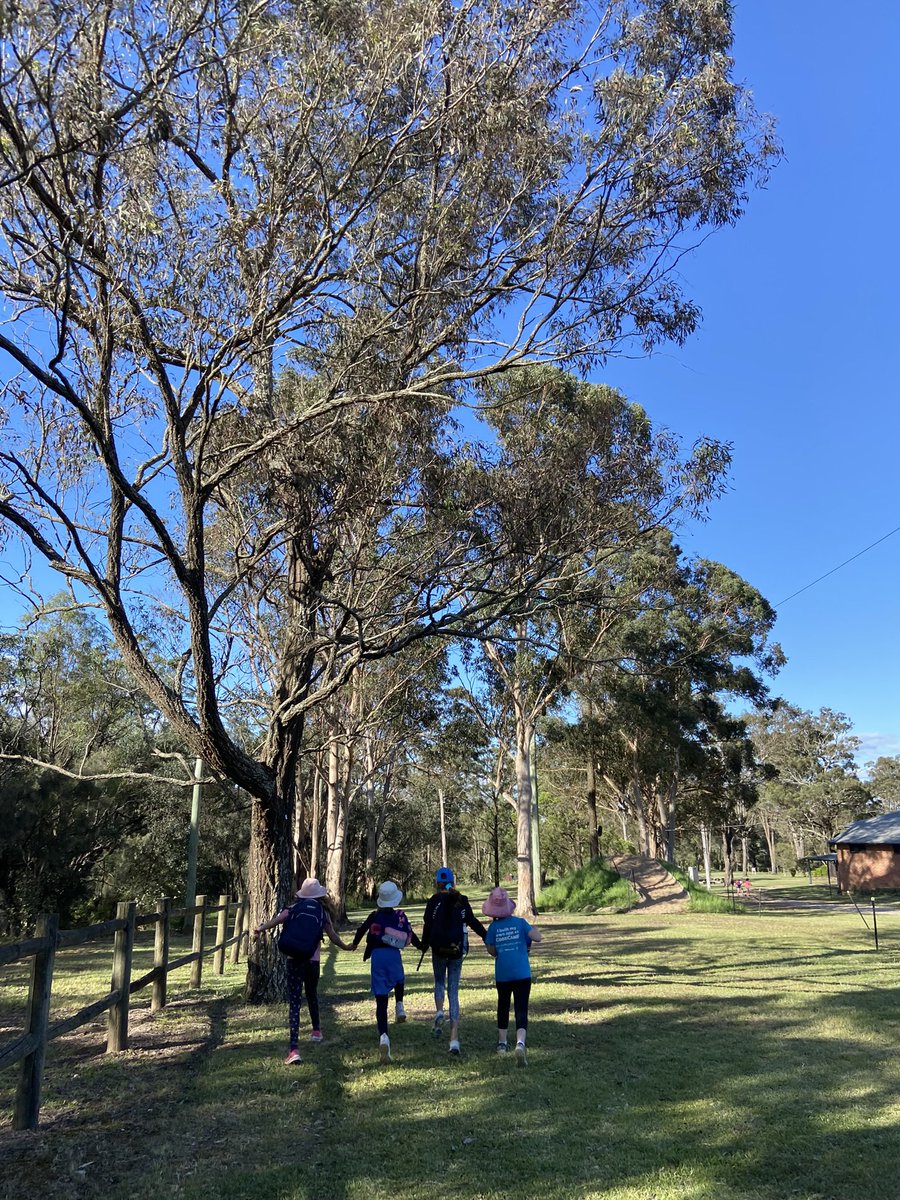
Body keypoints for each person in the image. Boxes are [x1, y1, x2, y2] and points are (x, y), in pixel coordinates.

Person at [253, 877, 351, 1065]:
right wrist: (346, 947)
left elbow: (274, 921)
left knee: (295, 1003)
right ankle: (316, 1031)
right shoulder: (322, 913)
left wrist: (260, 929)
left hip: (293, 961)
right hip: (312, 962)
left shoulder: (292, 909)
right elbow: (333, 937)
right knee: (312, 994)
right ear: (319, 896)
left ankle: (293, 1049)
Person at [350, 879, 422, 1063]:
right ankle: (399, 1005)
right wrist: (422, 946)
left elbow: (360, 930)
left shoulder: (374, 916)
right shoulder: (400, 916)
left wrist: (354, 945)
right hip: (393, 956)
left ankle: (384, 1036)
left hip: (377, 957)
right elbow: (410, 936)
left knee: (381, 1000)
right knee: (399, 979)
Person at [420, 866, 487, 1056]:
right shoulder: (461, 900)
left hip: (438, 949)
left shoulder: (433, 901)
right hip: (457, 951)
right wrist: (486, 936)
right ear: (453, 881)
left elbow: (428, 925)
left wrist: (424, 944)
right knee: (454, 990)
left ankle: (440, 1011)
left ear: (437, 883)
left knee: (439, 981)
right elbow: (472, 922)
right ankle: (454, 1040)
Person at [482, 885, 542, 1067]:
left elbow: (492, 951)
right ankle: (520, 1043)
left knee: (503, 1006)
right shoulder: (521, 923)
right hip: (523, 973)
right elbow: (537, 937)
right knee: (521, 1008)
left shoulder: (492, 928)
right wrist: (530, 935)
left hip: (503, 974)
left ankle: (502, 1043)